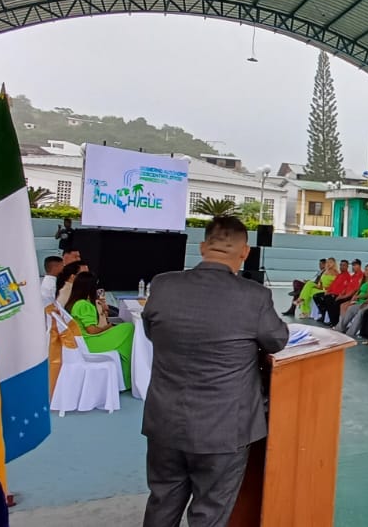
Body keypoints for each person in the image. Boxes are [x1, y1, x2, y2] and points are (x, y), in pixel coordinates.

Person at [139, 217, 289, 527]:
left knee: (162, 502)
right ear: (245, 252)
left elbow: (153, 332)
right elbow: (277, 341)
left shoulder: (164, 285)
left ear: (202, 247)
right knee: (209, 513)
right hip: (224, 428)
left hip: (165, 421)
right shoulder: (254, 296)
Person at [64, 272, 134, 387]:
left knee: (124, 329)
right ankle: (127, 377)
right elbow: (91, 330)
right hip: (89, 342)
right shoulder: (84, 305)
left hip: (81, 341)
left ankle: (124, 377)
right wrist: (108, 327)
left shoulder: (75, 303)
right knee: (129, 328)